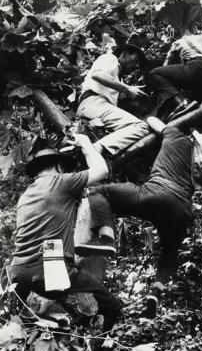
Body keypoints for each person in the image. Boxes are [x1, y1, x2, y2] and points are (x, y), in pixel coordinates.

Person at [75, 116, 202, 318]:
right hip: (182, 210)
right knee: (169, 254)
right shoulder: (197, 169)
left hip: (156, 193)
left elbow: (152, 120)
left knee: (97, 192)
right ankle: (156, 291)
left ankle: (106, 236)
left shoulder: (178, 137)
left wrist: (163, 125)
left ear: (193, 140)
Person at [8, 134, 121, 331]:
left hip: (18, 274)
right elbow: (102, 170)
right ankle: (105, 340)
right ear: (59, 167)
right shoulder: (60, 182)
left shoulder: (26, 195)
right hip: (48, 274)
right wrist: (85, 143)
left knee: (44, 321)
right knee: (112, 305)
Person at [77, 44, 150, 157]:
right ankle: (96, 149)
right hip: (94, 103)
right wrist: (128, 89)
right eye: (136, 60)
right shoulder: (111, 58)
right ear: (124, 54)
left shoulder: (116, 77)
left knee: (129, 130)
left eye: (138, 64)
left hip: (95, 108)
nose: (136, 66)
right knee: (141, 127)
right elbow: (97, 74)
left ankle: (100, 152)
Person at [148, 32, 202, 121]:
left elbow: (166, 66)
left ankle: (182, 103)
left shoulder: (179, 42)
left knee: (155, 73)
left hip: (201, 68)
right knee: (194, 101)